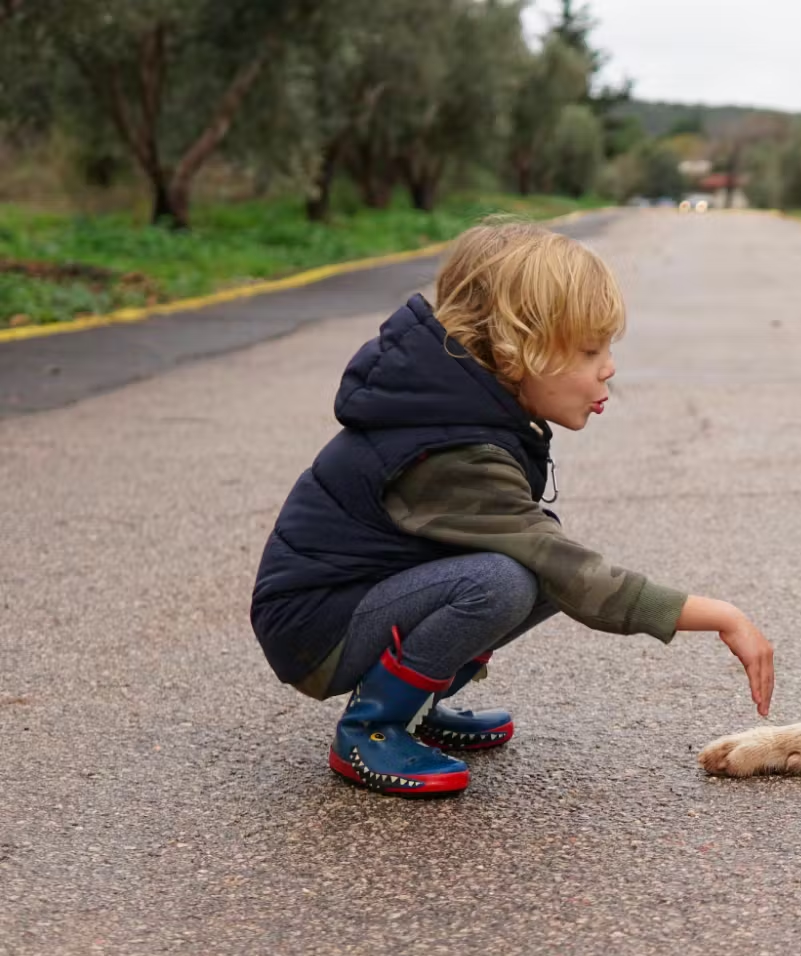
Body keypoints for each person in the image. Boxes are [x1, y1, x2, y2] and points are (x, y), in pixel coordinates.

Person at [250, 219, 772, 797]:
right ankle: (373, 728)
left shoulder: (465, 414)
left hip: (357, 602)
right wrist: (720, 614)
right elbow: (573, 573)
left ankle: (415, 705)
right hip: (315, 630)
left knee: (538, 565)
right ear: (516, 350)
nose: (609, 368)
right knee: (507, 577)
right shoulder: (449, 449)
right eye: (589, 350)